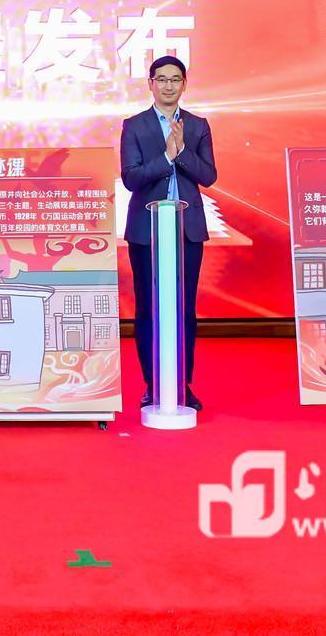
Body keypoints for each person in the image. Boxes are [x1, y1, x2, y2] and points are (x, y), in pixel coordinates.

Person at [120, 55, 218, 411]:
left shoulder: (197, 126)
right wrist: (165, 158)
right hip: (146, 233)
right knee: (148, 308)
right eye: (161, 79)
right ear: (150, 84)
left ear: (184, 84)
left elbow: (208, 176)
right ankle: (153, 384)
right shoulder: (135, 126)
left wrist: (182, 152)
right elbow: (131, 178)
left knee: (184, 309)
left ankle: (181, 384)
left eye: (175, 79)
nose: (168, 86)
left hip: (186, 231)